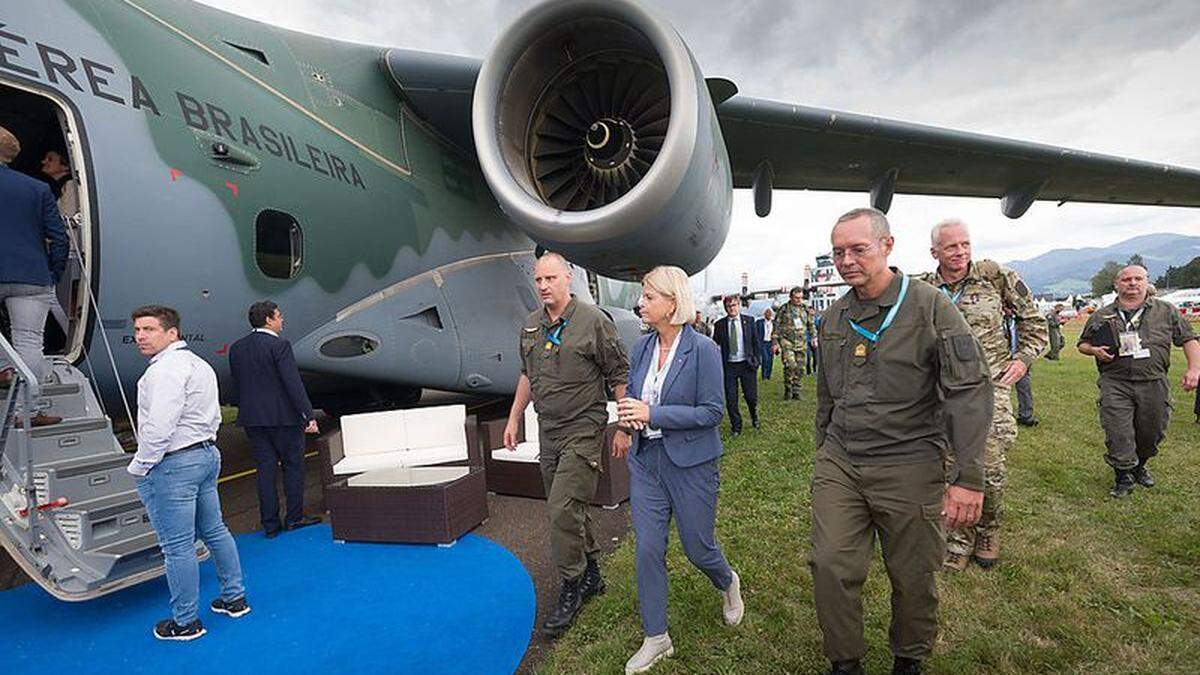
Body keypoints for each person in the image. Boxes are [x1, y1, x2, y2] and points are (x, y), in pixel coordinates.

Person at [812, 208, 991, 675]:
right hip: (843, 462)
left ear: (888, 246)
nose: (846, 260)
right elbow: (826, 396)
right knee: (830, 563)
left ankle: (909, 658)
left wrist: (968, 476)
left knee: (913, 573)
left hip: (909, 460)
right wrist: (824, 452)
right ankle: (844, 661)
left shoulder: (930, 306)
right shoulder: (833, 317)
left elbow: (968, 389)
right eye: (838, 252)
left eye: (858, 249)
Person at [614, 266, 743, 674]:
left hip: (691, 465)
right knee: (648, 549)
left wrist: (654, 413)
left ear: (673, 302)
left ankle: (727, 581)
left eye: (649, 296)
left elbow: (711, 412)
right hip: (646, 462)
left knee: (697, 546)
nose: (641, 303)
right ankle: (657, 637)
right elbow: (634, 396)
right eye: (642, 296)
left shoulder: (703, 349)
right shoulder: (640, 348)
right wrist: (627, 419)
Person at [503, 252, 629, 637]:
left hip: (583, 428)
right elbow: (527, 375)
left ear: (568, 278)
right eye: (538, 279)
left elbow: (618, 374)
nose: (543, 286)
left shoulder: (593, 322)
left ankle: (571, 585)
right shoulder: (531, 326)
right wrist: (512, 419)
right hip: (549, 430)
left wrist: (625, 425)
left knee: (560, 509)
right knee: (571, 508)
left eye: (550, 278)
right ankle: (591, 573)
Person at [921, 218, 1047, 571]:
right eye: (951, 247)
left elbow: (1034, 324)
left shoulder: (996, 277)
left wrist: (1022, 360)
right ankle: (959, 537)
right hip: (942, 393)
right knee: (948, 465)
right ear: (935, 252)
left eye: (965, 245)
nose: (960, 252)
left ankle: (988, 529)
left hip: (988, 387)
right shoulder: (924, 289)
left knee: (987, 466)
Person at [125, 305, 248, 641]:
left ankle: (186, 622)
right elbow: (215, 415)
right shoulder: (200, 364)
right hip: (206, 455)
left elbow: (159, 428)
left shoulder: (162, 372)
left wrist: (139, 465)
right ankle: (234, 599)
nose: (140, 336)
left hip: (175, 463)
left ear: (172, 333)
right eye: (137, 330)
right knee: (215, 530)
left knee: (177, 547)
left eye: (149, 329)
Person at [1077, 264, 1200, 497]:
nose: (1132, 283)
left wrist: (1195, 368)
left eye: (1138, 278)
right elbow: (1083, 344)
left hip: (1153, 381)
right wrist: (1094, 351)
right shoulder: (1102, 314)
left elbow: (1189, 339)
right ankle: (1123, 476)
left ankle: (1140, 465)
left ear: (1146, 281)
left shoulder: (1166, 310)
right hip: (1115, 381)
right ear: (1116, 284)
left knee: (1151, 431)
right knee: (1118, 430)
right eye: (1126, 280)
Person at [228, 300, 321, 539]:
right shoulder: (280, 346)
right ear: (269, 320)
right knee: (293, 468)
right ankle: (295, 517)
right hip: (284, 419)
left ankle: (270, 524)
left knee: (265, 471)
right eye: (279, 316)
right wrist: (307, 415)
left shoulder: (237, 348)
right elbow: (292, 383)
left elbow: (237, 384)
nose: (282, 320)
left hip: (252, 419)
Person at [0, 125, 68, 427]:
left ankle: (4, 368)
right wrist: (52, 272)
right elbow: (59, 237)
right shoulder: (38, 188)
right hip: (32, 276)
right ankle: (28, 412)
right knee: (29, 342)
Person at [712, 295, 761, 434]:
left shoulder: (749, 321)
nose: (731, 308)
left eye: (734, 305)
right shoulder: (719, 325)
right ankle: (736, 427)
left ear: (739, 305)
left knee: (751, 396)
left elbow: (756, 343)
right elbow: (715, 346)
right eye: (728, 306)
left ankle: (754, 416)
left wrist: (757, 361)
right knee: (731, 399)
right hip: (729, 367)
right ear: (725, 308)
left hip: (747, 365)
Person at [773, 286, 812, 399]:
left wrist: (814, 337)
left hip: (802, 342)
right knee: (790, 365)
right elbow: (776, 326)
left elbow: (811, 324)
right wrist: (775, 342)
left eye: (800, 298)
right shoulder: (784, 309)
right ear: (790, 297)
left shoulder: (805, 309)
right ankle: (788, 388)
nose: (799, 300)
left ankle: (796, 391)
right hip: (787, 341)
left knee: (800, 368)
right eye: (796, 298)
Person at [1005, 312, 1037, 426]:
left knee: (1024, 387)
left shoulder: (1022, 321)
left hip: (1020, 359)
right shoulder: (996, 321)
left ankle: (1026, 416)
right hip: (1001, 359)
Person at [40, 149, 79, 222]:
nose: (43, 162)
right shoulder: (54, 186)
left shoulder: (70, 186)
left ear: (65, 166)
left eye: (50, 159)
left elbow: (68, 217)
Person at [757, 307, 775, 380]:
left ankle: (768, 375)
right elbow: (756, 333)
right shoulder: (759, 322)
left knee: (770, 360)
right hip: (763, 343)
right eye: (767, 313)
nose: (768, 314)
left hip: (771, 343)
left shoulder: (774, 323)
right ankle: (764, 376)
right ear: (764, 314)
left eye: (770, 313)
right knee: (765, 359)